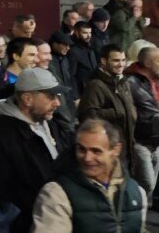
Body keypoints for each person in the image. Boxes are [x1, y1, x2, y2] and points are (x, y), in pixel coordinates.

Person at [0, 68, 73, 233]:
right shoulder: (0, 137)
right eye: (50, 96)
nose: (57, 103)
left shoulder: (53, 124)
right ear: (27, 99)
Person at [31, 118, 146, 232]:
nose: (87, 158)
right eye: (81, 149)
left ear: (116, 150)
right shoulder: (56, 193)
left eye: (96, 151)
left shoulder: (136, 192)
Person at [78, 43, 137, 177]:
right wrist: (117, 112)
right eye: (116, 60)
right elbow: (87, 116)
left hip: (126, 149)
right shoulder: (95, 86)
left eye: (123, 60)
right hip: (107, 151)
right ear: (104, 61)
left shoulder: (123, 83)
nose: (121, 64)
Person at [125, 46, 159, 200]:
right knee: (147, 184)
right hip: (141, 141)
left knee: (150, 187)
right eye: (157, 60)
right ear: (146, 62)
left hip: (156, 141)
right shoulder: (131, 82)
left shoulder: (156, 81)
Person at [69, 20, 99, 96]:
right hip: (81, 91)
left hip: (93, 88)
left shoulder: (90, 46)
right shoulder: (72, 50)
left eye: (90, 33)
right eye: (85, 33)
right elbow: (71, 76)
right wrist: (75, 96)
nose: (89, 36)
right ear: (76, 32)